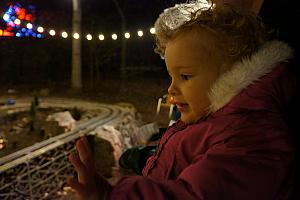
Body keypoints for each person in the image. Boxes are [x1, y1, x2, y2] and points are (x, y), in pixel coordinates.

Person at [67, 1, 296, 199]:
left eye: (185, 76)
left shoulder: (249, 137)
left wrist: (111, 195)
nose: (171, 88)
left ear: (231, 75)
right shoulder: (209, 119)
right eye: (171, 76)